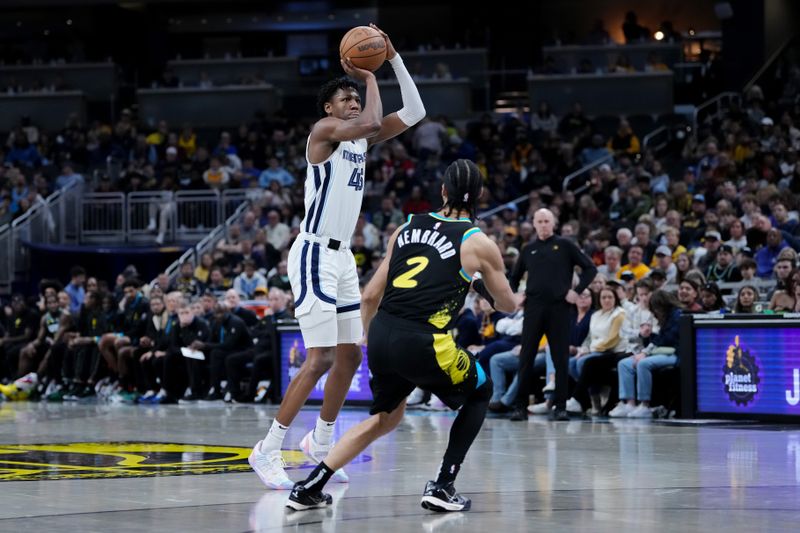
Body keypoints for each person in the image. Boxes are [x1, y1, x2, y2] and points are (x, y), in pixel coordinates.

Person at [250, 23, 426, 490]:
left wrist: (391, 58)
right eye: (344, 97)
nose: (352, 101)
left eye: (355, 95)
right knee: (321, 357)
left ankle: (322, 444)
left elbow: (417, 110)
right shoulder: (325, 131)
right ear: (330, 108)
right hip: (312, 252)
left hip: (343, 258)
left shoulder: (361, 142)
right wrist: (368, 77)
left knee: (351, 356)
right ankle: (268, 448)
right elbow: (369, 121)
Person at [286, 158, 516, 512]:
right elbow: (508, 305)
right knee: (481, 390)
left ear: (442, 191)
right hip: (423, 341)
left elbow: (369, 296)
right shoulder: (478, 242)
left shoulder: (407, 227)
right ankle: (443, 485)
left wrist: (365, 337)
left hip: (381, 334)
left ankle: (310, 486)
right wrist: (482, 286)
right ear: (480, 195)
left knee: (385, 419)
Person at [508, 208, 598, 421]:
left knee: (560, 358)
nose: (543, 224)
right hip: (533, 309)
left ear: (554, 223)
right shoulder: (528, 249)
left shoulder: (565, 245)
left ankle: (560, 407)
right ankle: (520, 406)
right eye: (539, 221)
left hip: (559, 309)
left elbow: (590, 269)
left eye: (547, 221)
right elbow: (513, 277)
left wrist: (575, 292)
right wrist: (515, 295)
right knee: (526, 357)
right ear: (534, 223)